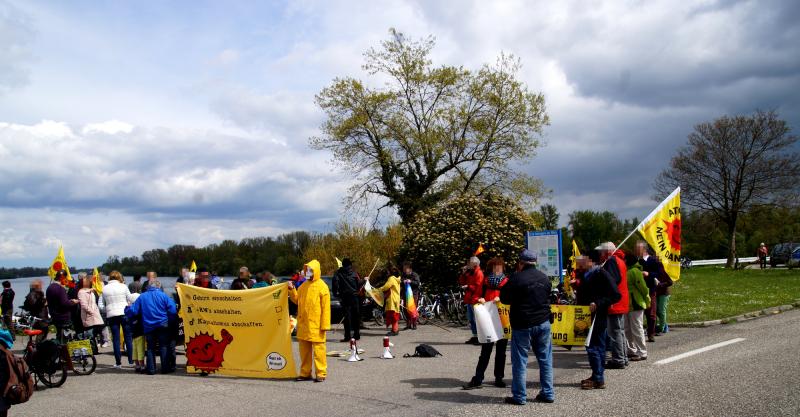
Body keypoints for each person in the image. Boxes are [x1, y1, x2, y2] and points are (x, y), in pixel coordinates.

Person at [499, 249, 554, 405]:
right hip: (543, 322)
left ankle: (520, 396)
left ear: (520, 263)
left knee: (520, 361)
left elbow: (504, 299)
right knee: (545, 359)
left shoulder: (516, 278)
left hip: (522, 324)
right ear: (535, 262)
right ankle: (548, 393)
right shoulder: (544, 278)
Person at [463, 257, 510, 390]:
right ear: (491, 268)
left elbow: (512, 298)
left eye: (499, 266)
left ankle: (499, 378)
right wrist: (480, 299)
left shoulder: (507, 282)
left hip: (502, 321)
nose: (497, 269)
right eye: (495, 267)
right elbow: (475, 297)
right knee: (485, 351)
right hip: (488, 321)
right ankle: (478, 378)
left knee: (501, 352)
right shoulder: (485, 282)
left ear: (503, 268)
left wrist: (502, 299)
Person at [577, 251, 621, 390]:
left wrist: (598, 303)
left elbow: (615, 295)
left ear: (591, 261)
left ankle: (598, 379)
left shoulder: (601, 274)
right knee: (596, 346)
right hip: (586, 316)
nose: (579, 263)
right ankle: (597, 374)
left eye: (582, 260)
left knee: (594, 347)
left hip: (598, 316)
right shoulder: (586, 274)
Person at [288, 260, 330, 382]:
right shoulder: (303, 286)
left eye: (310, 270)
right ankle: (305, 373)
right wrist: (291, 289)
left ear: (316, 271)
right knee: (304, 352)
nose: (307, 272)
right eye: (307, 270)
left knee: (319, 351)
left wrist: (325, 325)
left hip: (316, 325)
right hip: (303, 324)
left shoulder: (323, 286)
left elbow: (326, 308)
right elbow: (297, 300)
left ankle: (321, 373)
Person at [126, 279, 178, 375]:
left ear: (148, 287)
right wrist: (169, 320)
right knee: (163, 346)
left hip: (149, 326)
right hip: (163, 324)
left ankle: (151, 369)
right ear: (159, 286)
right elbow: (173, 310)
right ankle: (165, 368)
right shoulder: (164, 296)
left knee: (150, 348)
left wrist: (127, 309)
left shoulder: (142, 297)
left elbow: (133, 311)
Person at [598, 242, 629, 369]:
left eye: (602, 252)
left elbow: (612, 280)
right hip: (621, 300)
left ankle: (618, 359)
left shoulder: (611, 261)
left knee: (615, 332)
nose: (600, 254)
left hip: (614, 302)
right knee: (620, 331)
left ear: (607, 252)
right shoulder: (620, 260)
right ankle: (623, 357)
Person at [99, 270, 134, 368]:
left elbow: (101, 305)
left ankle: (118, 363)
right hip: (124, 313)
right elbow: (130, 298)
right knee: (128, 337)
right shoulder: (124, 286)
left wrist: (107, 309)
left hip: (112, 315)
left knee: (116, 339)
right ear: (119, 277)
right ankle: (131, 361)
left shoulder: (105, 288)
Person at [624, 253, 650, 361]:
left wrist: (647, 300)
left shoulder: (635, 271)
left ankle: (642, 352)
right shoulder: (629, 271)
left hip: (636, 303)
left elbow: (643, 288)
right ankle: (631, 351)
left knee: (636, 328)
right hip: (627, 304)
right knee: (627, 329)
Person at [333, 258, 362, 342]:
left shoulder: (338, 273)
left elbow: (335, 282)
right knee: (356, 317)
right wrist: (364, 280)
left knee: (347, 318)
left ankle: (348, 336)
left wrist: (336, 294)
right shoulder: (354, 273)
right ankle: (357, 335)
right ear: (350, 264)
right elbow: (359, 283)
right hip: (355, 297)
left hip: (345, 297)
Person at [636, 241, 660, 342]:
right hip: (638, 291)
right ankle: (639, 334)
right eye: (635, 248)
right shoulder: (636, 261)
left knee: (651, 313)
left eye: (638, 248)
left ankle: (651, 333)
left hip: (650, 290)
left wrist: (648, 274)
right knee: (638, 313)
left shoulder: (653, 260)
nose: (636, 250)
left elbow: (658, 274)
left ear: (644, 249)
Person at [46, 270, 79, 342]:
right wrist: (73, 302)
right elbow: (65, 304)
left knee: (59, 335)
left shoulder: (49, 287)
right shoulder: (60, 289)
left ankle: (58, 350)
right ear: (62, 278)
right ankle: (62, 351)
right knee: (64, 337)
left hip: (54, 315)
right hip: (63, 316)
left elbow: (54, 302)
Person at [458, 256, 484, 345]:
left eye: (469, 263)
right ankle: (475, 336)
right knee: (471, 319)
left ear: (474, 264)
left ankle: (480, 337)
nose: (467, 264)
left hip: (475, 299)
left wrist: (468, 287)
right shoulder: (470, 272)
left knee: (477, 319)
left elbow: (478, 287)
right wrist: (463, 273)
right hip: (470, 299)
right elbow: (462, 282)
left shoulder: (478, 273)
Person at [77, 276, 105, 344]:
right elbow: (84, 305)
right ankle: (91, 348)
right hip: (88, 315)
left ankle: (95, 346)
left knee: (97, 331)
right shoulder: (81, 292)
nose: (87, 281)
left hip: (94, 314)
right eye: (85, 280)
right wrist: (91, 312)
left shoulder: (91, 291)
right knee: (90, 333)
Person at [375, 267, 401, 336]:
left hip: (392, 299)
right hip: (396, 298)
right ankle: (396, 329)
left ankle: (394, 330)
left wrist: (378, 289)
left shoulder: (391, 278)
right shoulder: (397, 279)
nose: (387, 273)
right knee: (395, 314)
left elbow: (386, 287)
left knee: (392, 315)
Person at [126, 292, 146, 373]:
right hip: (140, 332)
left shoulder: (128, 310)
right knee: (140, 349)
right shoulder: (140, 310)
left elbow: (126, 311)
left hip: (133, 333)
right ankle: (142, 366)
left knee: (134, 349)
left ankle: (137, 365)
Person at [655, 254, 673, 335]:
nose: (656, 257)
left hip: (664, 292)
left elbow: (670, 282)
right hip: (656, 291)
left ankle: (661, 328)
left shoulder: (666, 268)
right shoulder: (655, 266)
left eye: (657, 256)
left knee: (661, 311)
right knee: (656, 311)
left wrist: (661, 284)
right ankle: (664, 325)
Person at [401, 262, 421, 330]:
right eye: (404, 269)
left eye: (405, 269)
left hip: (413, 294)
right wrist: (403, 281)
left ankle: (414, 324)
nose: (404, 270)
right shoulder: (403, 275)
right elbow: (400, 281)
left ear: (409, 269)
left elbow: (417, 283)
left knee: (412, 309)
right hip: (405, 294)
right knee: (406, 309)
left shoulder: (415, 275)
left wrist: (411, 281)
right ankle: (408, 324)